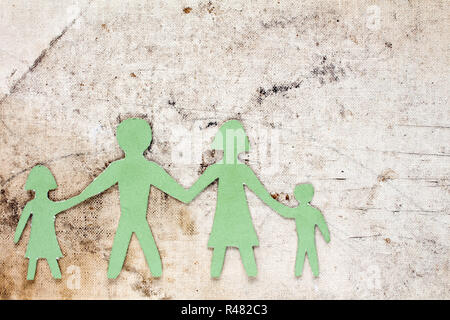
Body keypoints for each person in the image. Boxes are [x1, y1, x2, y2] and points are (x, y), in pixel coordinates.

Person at [74, 118, 189, 279]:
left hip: (130, 217)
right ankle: (149, 274)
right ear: (146, 141)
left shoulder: (119, 167)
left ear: (121, 141)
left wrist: (68, 202)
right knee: (145, 253)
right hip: (135, 217)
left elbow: (91, 190)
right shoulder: (149, 168)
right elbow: (181, 193)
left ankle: (116, 276)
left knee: (121, 255)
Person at [185, 120, 283, 277]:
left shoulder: (220, 168)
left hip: (227, 216)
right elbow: (265, 196)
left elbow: (189, 193)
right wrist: (284, 209)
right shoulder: (239, 169)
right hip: (237, 216)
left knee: (225, 250)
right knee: (240, 250)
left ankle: (217, 285)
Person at [14, 165, 81, 280]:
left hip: (39, 239)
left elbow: (22, 222)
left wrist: (16, 238)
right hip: (44, 239)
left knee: (36, 264)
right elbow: (68, 203)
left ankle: (33, 282)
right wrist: (82, 196)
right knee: (47, 264)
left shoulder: (34, 205)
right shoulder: (48, 205)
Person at [275, 183, 330, 277]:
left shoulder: (297, 210)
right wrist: (326, 236)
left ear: (296, 196)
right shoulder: (314, 211)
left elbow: (285, 212)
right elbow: (322, 225)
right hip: (309, 238)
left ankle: (298, 273)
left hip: (302, 238)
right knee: (312, 254)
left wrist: (274, 204)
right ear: (311, 195)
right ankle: (315, 273)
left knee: (301, 254)